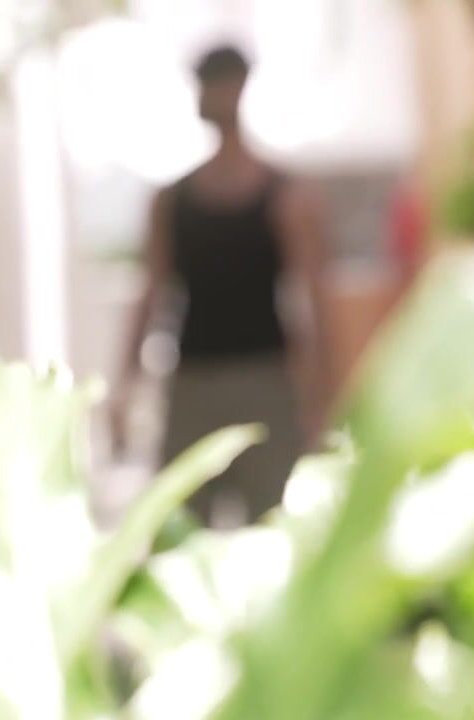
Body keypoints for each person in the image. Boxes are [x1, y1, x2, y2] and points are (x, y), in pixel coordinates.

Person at [110, 44, 333, 527]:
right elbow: (152, 291)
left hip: (265, 383)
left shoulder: (285, 197)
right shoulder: (173, 200)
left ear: (236, 89)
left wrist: (322, 396)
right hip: (193, 383)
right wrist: (126, 385)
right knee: (178, 533)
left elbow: (313, 299)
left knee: (273, 532)